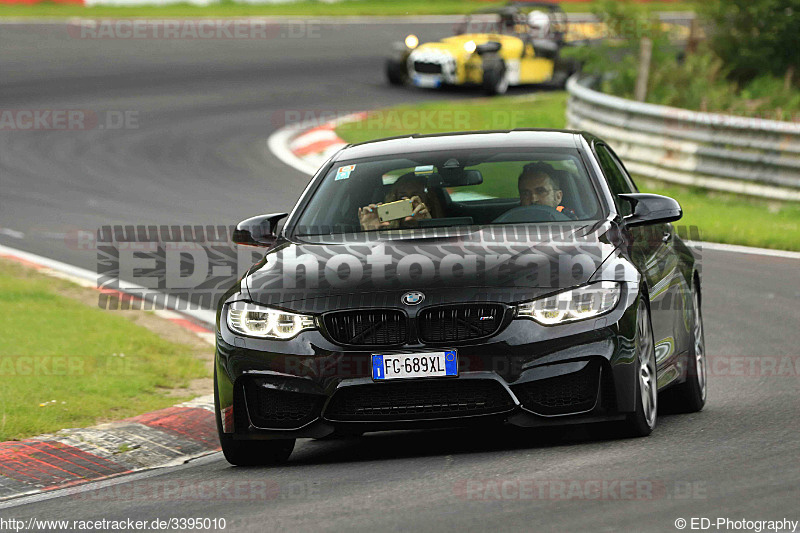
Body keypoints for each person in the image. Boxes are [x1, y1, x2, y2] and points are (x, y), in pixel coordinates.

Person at [358, 173, 441, 231]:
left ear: (428, 202)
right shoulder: (384, 228)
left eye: (416, 196)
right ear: (394, 200)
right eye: (402, 196)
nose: (408, 200)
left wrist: (428, 224)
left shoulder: (446, 229)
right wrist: (369, 230)